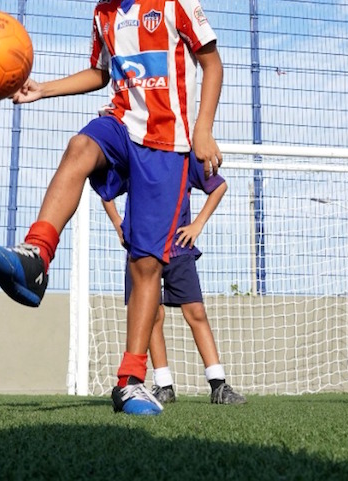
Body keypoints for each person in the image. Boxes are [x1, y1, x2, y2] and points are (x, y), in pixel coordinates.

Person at [0, 0, 224, 416]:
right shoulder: (104, 12)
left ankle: (132, 380)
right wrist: (43, 90)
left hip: (167, 144)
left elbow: (211, 62)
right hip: (120, 124)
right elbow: (101, 74)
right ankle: (36, 257)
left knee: (145, 264)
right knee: (80, 145)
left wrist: (203, 129)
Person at [102, 149, 246, 406]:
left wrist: (197, 224)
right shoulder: (136, 158)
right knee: (152, 315)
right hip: (142, 249)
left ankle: (218, 384)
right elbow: (106, 188)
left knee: (196, 312)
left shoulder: (183, 158)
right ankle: (163, 384)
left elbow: (219, 186)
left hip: (178, 247)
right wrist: (117, 223)